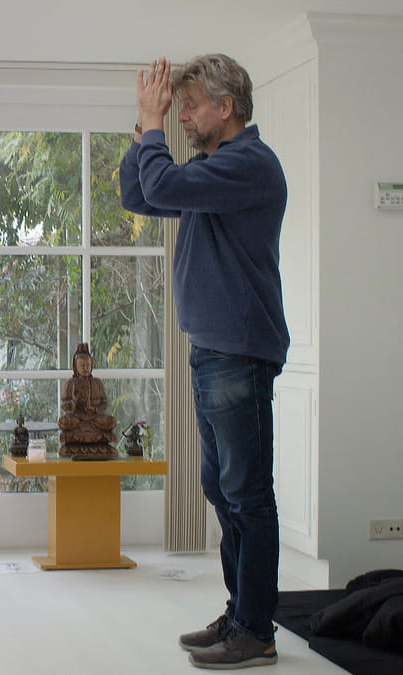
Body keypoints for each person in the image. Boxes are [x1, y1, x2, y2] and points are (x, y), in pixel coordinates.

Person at [119, 54, 289, 669]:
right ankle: (241, 614)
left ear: (226, 106)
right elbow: (139, 193)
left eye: (190, 106)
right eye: (179, 107)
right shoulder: (212, 171)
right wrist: (143, 132)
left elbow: (161, 185)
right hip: (214, 350)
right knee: (223, 489)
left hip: (238, 351)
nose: (183, 117)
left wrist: (152, 123)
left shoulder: (249, 165)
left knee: (247, 495)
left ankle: (255, 630)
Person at [56, 343, 117, 460]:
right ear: (76, 367)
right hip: (77, 419)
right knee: (63, 422)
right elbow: (64, 405)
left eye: (88, 365)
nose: (86, 368)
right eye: (82, 365)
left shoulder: (97, 382)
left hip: (94, 419)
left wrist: (95, 409)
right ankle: (90, 444)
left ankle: (88, 444)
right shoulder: (70, 383)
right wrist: (74, 402)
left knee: (111, 421)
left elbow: (104, 403)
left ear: (92, 365)